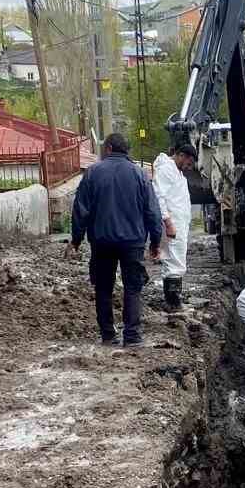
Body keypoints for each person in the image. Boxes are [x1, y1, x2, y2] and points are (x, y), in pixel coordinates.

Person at [66, 132, 163, 347]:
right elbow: (152, 212)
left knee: (103, 288)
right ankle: (132, 336)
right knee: (132, 288)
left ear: (108, 148)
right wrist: (155, 242)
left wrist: (76, 240)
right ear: (126, 150)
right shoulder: (140, 175)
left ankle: (108, 335)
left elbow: (80, 210)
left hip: (101, 241)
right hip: (133, 242)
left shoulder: (92, 173)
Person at [151, 142, 197, 311]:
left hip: (178, 223)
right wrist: (168, 222)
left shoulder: (176, 171)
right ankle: (173, 302)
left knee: (175, 260)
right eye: (188, 162)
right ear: (181, 155)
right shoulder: (166, 170)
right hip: (172, 224)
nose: (188, 167)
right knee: (174, 261)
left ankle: (173, 300)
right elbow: (159, 197)